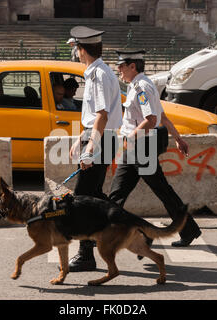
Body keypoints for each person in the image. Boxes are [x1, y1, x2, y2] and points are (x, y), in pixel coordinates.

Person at [108, 49, 202, 251]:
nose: (119, 71)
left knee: (161, 191)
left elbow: (151, 120)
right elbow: (163, 116)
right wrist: (178, 138)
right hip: (135, 148)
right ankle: (111, 233)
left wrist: (130, 139)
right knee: (117, 194)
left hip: (140, 147)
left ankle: (183, 230)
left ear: (133, 66)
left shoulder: (142, 88)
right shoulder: (142, 85)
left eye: (121, 66)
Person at [67, 26, 123, 272]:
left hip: (101, 139)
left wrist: (90, 147)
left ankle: (86, 255)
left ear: (83, 50)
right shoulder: (97, 72)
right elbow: (95, 117)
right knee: (95, 195)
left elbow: (102, 115)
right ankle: (136, 229)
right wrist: (82, 136)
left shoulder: (99, 74)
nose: (75, 54)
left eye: (76, 49)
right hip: (100, 137)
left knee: (82, 199)